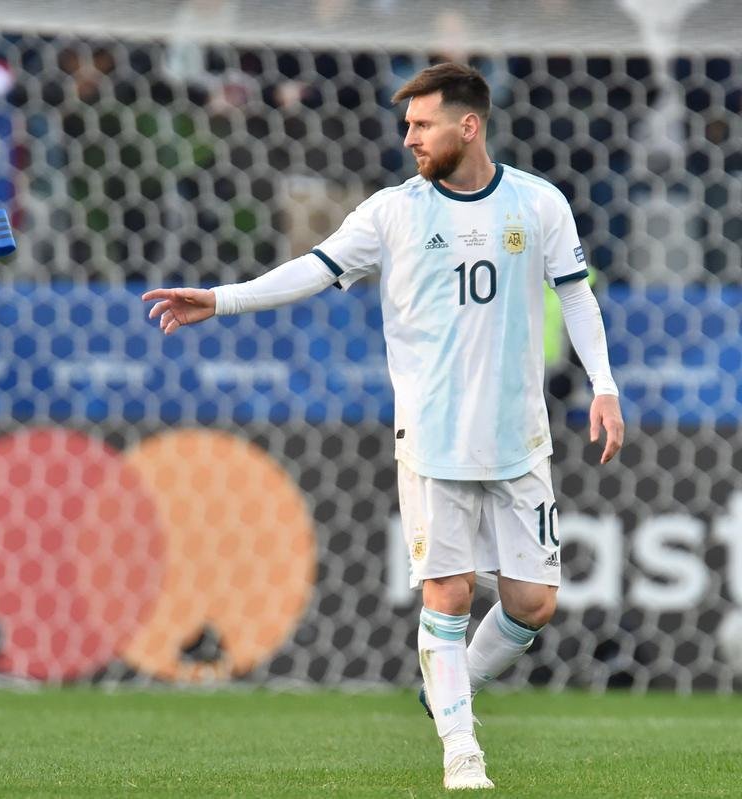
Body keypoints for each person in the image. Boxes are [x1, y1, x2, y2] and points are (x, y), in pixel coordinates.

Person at [144, 62, 625, 791]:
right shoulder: (392, 212)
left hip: (520, 438)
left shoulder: (539, 203)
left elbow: (577, 297)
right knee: (449, 593)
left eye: (422, 125)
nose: (409, 139)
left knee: (532, 603)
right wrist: (221, 299)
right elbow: (311, 268)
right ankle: (461, 750)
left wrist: (605, 386)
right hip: (432, 439)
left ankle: (445, 686)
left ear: (469, 126)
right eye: (407, 126)